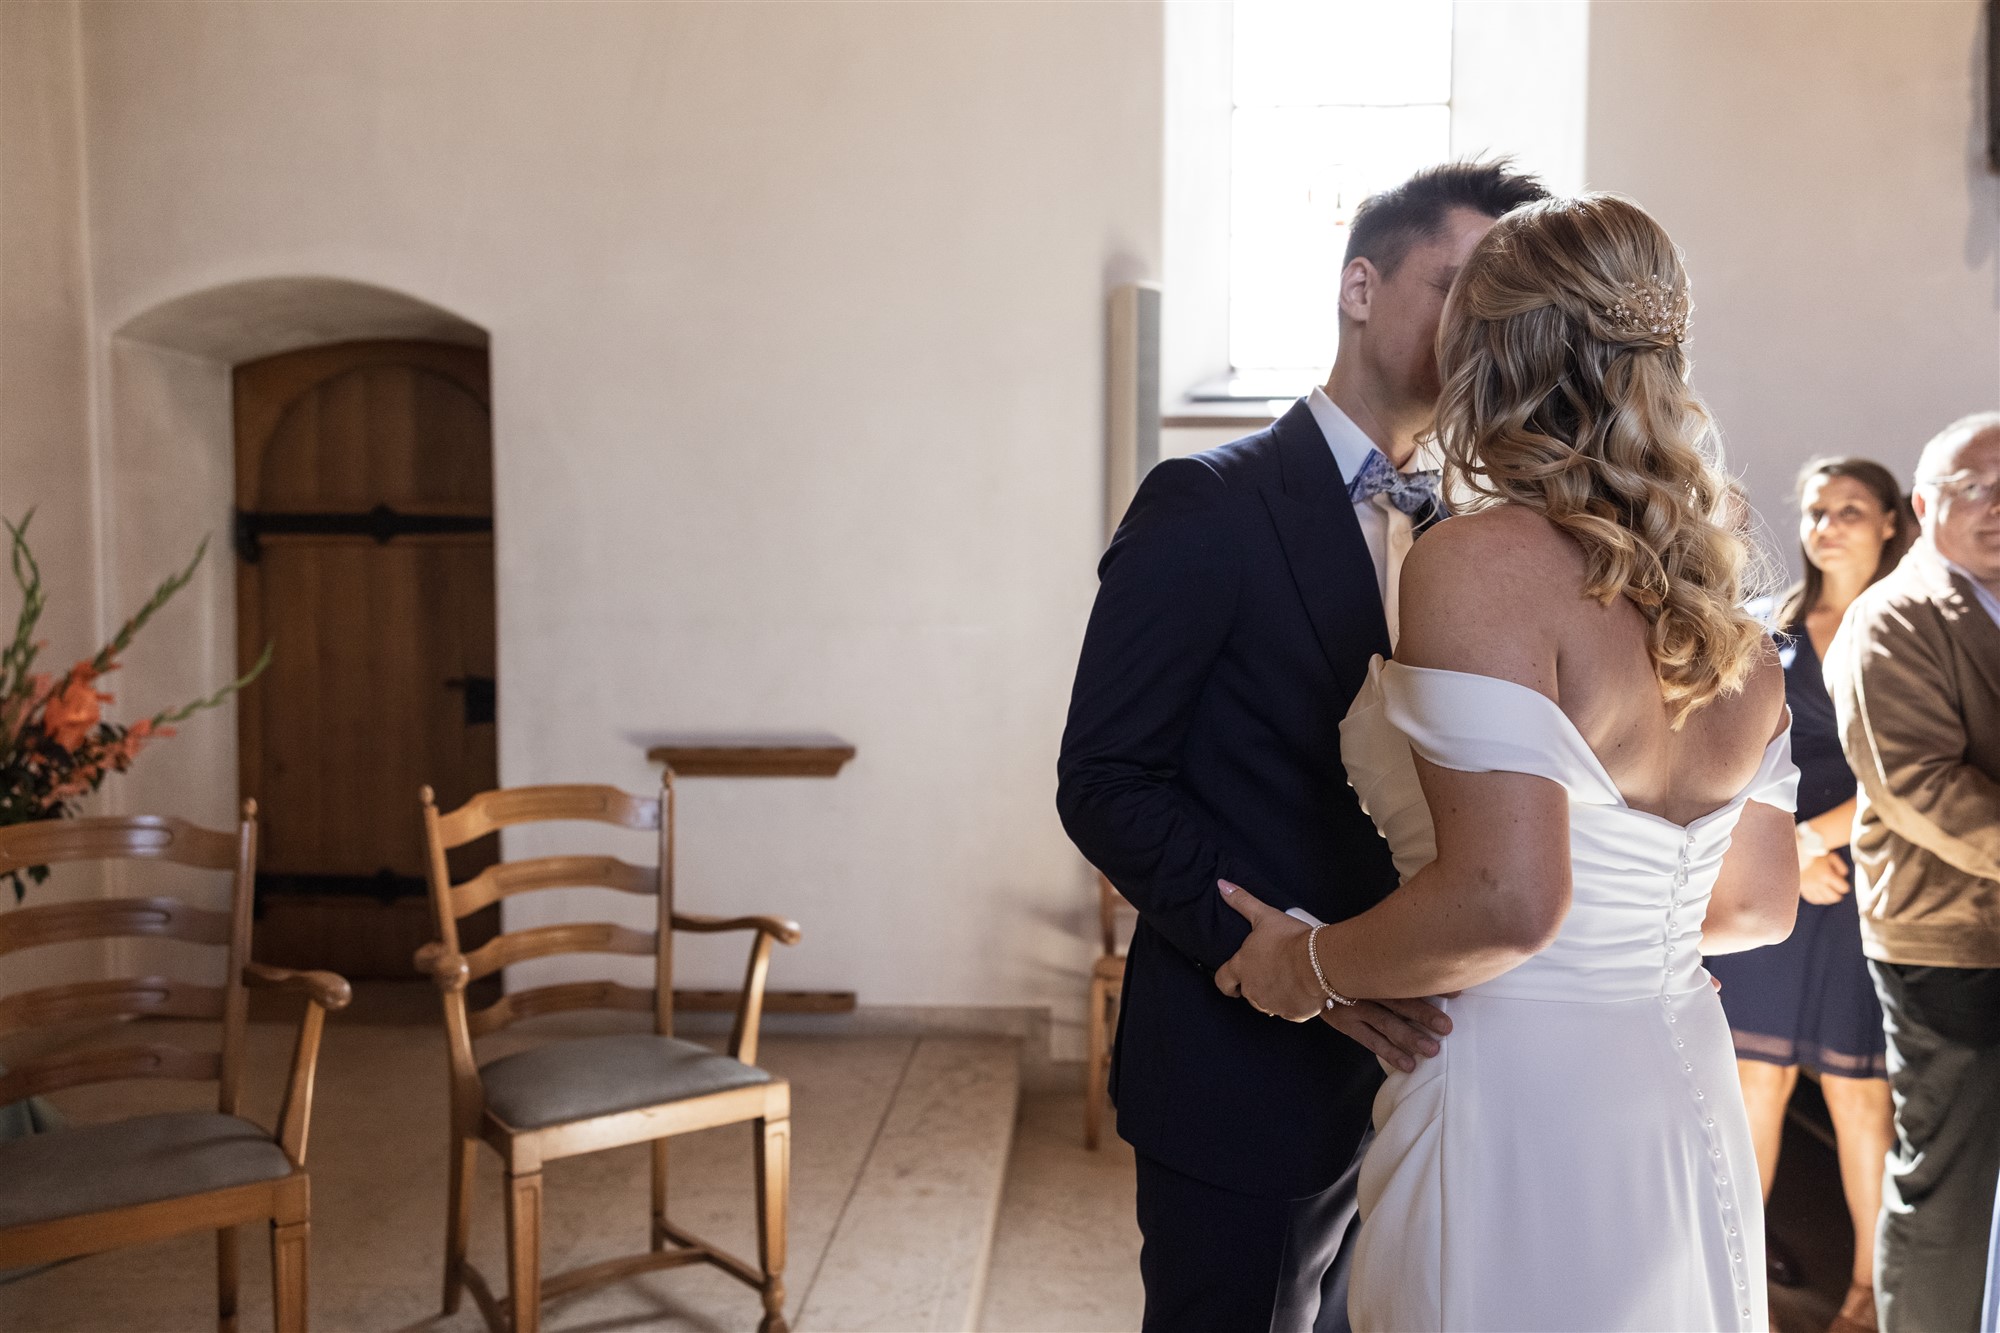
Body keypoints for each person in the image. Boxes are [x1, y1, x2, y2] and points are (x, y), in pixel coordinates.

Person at [1216, 193, 1802, 1331]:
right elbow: (1757, 902)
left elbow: (1508, 899)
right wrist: (1631, 956)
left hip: (1517, 1092)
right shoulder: (1719, 582)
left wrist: (1308, 966)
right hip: (1674, 1070)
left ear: (1487, 351)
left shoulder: (1475, 562)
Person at [1055, 160, 1548, 1332]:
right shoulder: (1207, 503)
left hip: (1428, 1062)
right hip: (1245, 1061)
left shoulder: (1484, 538)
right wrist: (1276, 957)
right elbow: (1103, 781)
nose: (1473, 330)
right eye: (1451, 287)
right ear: (1360, 286)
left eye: (1500, 309)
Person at [1707, 459, 1913, 1331]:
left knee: (1859, 1094)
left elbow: (1914, 772)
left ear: (1894, 523)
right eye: (1817, 511)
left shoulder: (1913, 628)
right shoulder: (1773, 631)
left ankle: (1868, 1291)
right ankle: (1738, 1284)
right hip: (1773, 881)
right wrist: (1782, 852)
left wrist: (1812, 841)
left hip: (1870, 880)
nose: (1827, 525)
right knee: (1755, 1083)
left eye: (1851, 510)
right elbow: (1733, 753)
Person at [1824, 413, 2000, 1333]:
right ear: (1923, 505)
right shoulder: (1891, 617)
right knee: (1951, 1181)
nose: (1999, 506)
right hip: (1950, 938)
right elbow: (1921, 784)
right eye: (1976, 487)